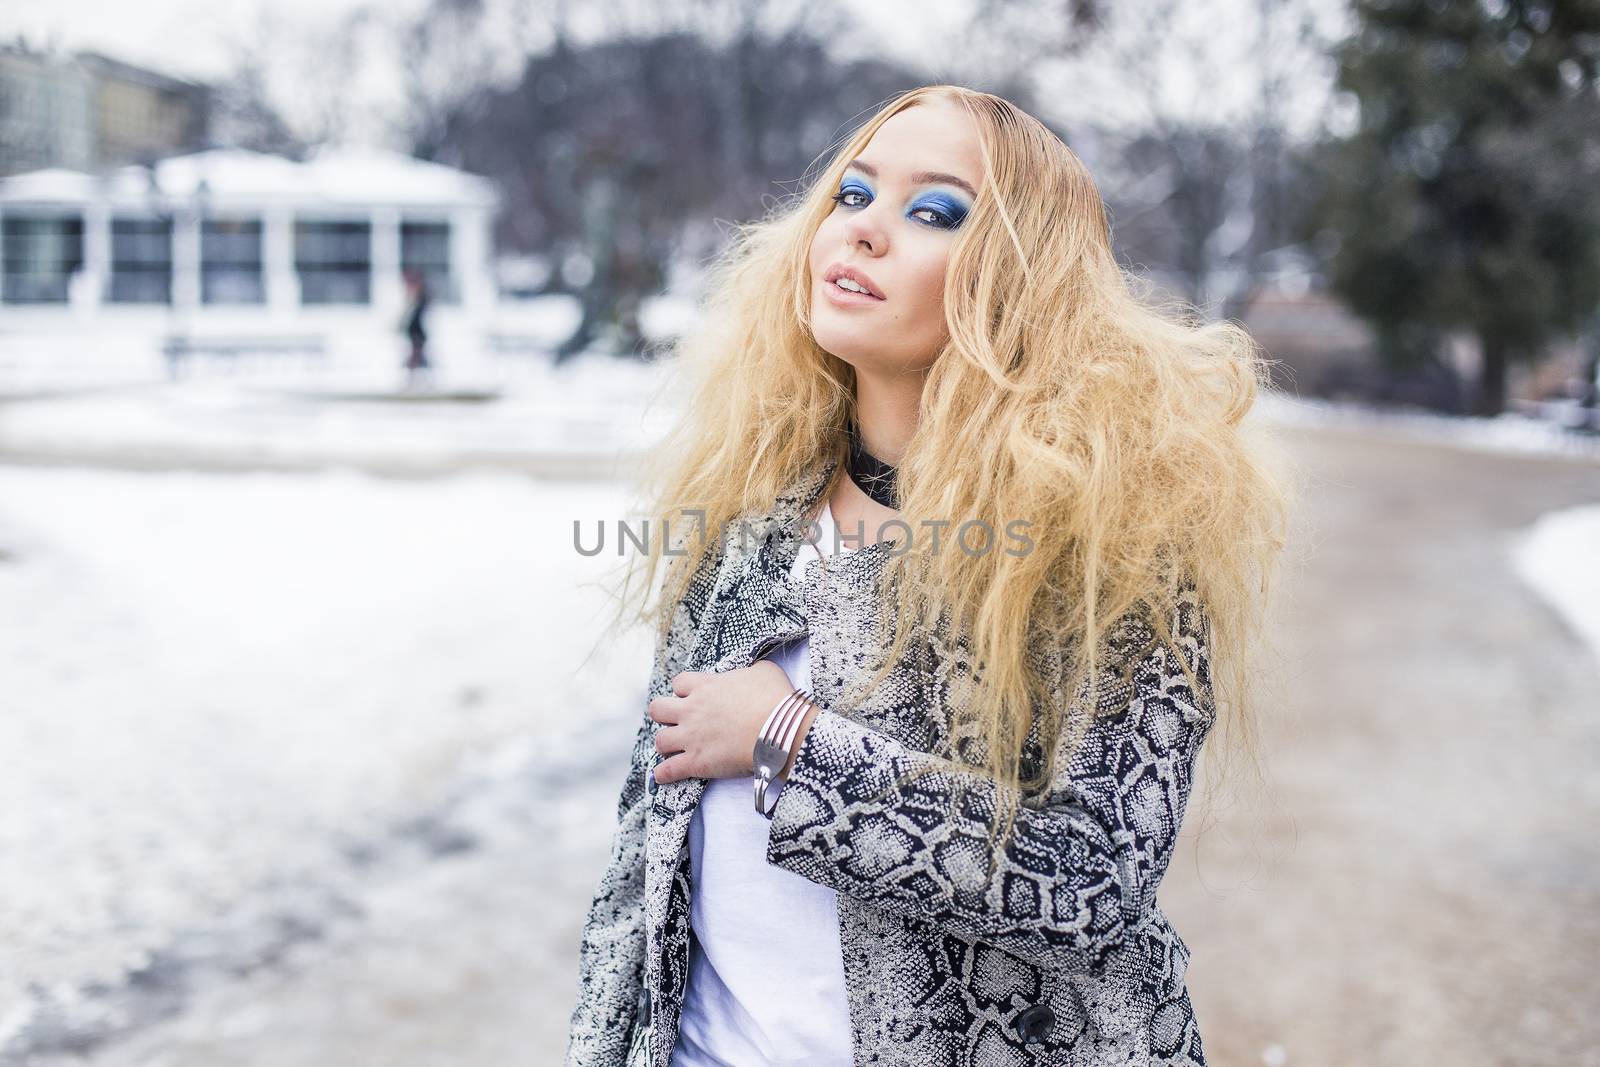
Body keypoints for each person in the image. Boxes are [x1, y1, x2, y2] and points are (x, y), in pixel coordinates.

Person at [565, 85, 1296, 1067]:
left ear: (1023, 279)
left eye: (933, 211)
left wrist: (790, 741)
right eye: (855, 194)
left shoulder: (1106, 550)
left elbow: (1090, 874)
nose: (863, 232)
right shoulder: (744, 514)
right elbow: (640, 868)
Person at [400, 269, 433, 391]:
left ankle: (416, 382)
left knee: (416, 358)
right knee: (417, 358)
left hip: (417, 332)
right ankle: (418, 382)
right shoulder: (415, 299)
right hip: (414, 331)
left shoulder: (421, 299)